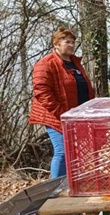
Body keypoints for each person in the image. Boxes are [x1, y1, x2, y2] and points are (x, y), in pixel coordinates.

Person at [29, 28, 95, 178]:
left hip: (76, 116)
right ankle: (54, 189)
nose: (71, 45)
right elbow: (41, 91)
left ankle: (73, 183)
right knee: (63, 151)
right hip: (55, 116)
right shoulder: (46, 64)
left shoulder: (75, 63)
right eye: (67, 42)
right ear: (56, 44)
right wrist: (61, 112)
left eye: (73, 42)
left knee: (77, 151)